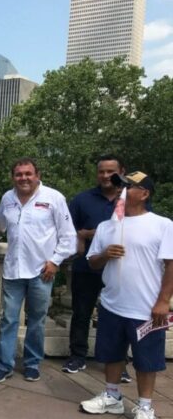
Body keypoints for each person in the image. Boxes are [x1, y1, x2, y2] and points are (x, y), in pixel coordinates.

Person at [80, 172, 173, 419]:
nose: (120, 189)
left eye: (127, 186)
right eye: (119, 185)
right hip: (112, 304)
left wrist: (163, 301)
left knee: (147, 360)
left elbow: (171, 265)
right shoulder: (107, 226)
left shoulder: (163, 225)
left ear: (144, 193)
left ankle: (145, 407)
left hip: (146, 308)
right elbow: (92, 262)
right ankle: (112, 396)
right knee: (111, 353)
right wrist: (105, 255)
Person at [0, 158, 77, 383]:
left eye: (28, 174)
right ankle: (4, 364)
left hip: (42, 271)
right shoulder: (7, 198)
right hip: (13, 270)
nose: (23, 178)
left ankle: (32, 363)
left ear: (37, 175)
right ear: (13, 177)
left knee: (37, 320)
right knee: (9, 319)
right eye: (19, 174)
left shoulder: (54, 198)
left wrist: (55, 261)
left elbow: (68, 236)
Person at [62, 155, 132, 382]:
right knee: (81, 313)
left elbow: (141, 226)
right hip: (87, 267)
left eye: (110, 171)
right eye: (101, 171)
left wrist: (91, 232)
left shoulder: (132, 199)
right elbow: (67, 229)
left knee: (119, 316)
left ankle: (118, 362)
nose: (105, 176)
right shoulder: (82, 200)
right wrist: (80, 237)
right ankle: (77, 356)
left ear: (122, 172)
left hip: (121, 268)